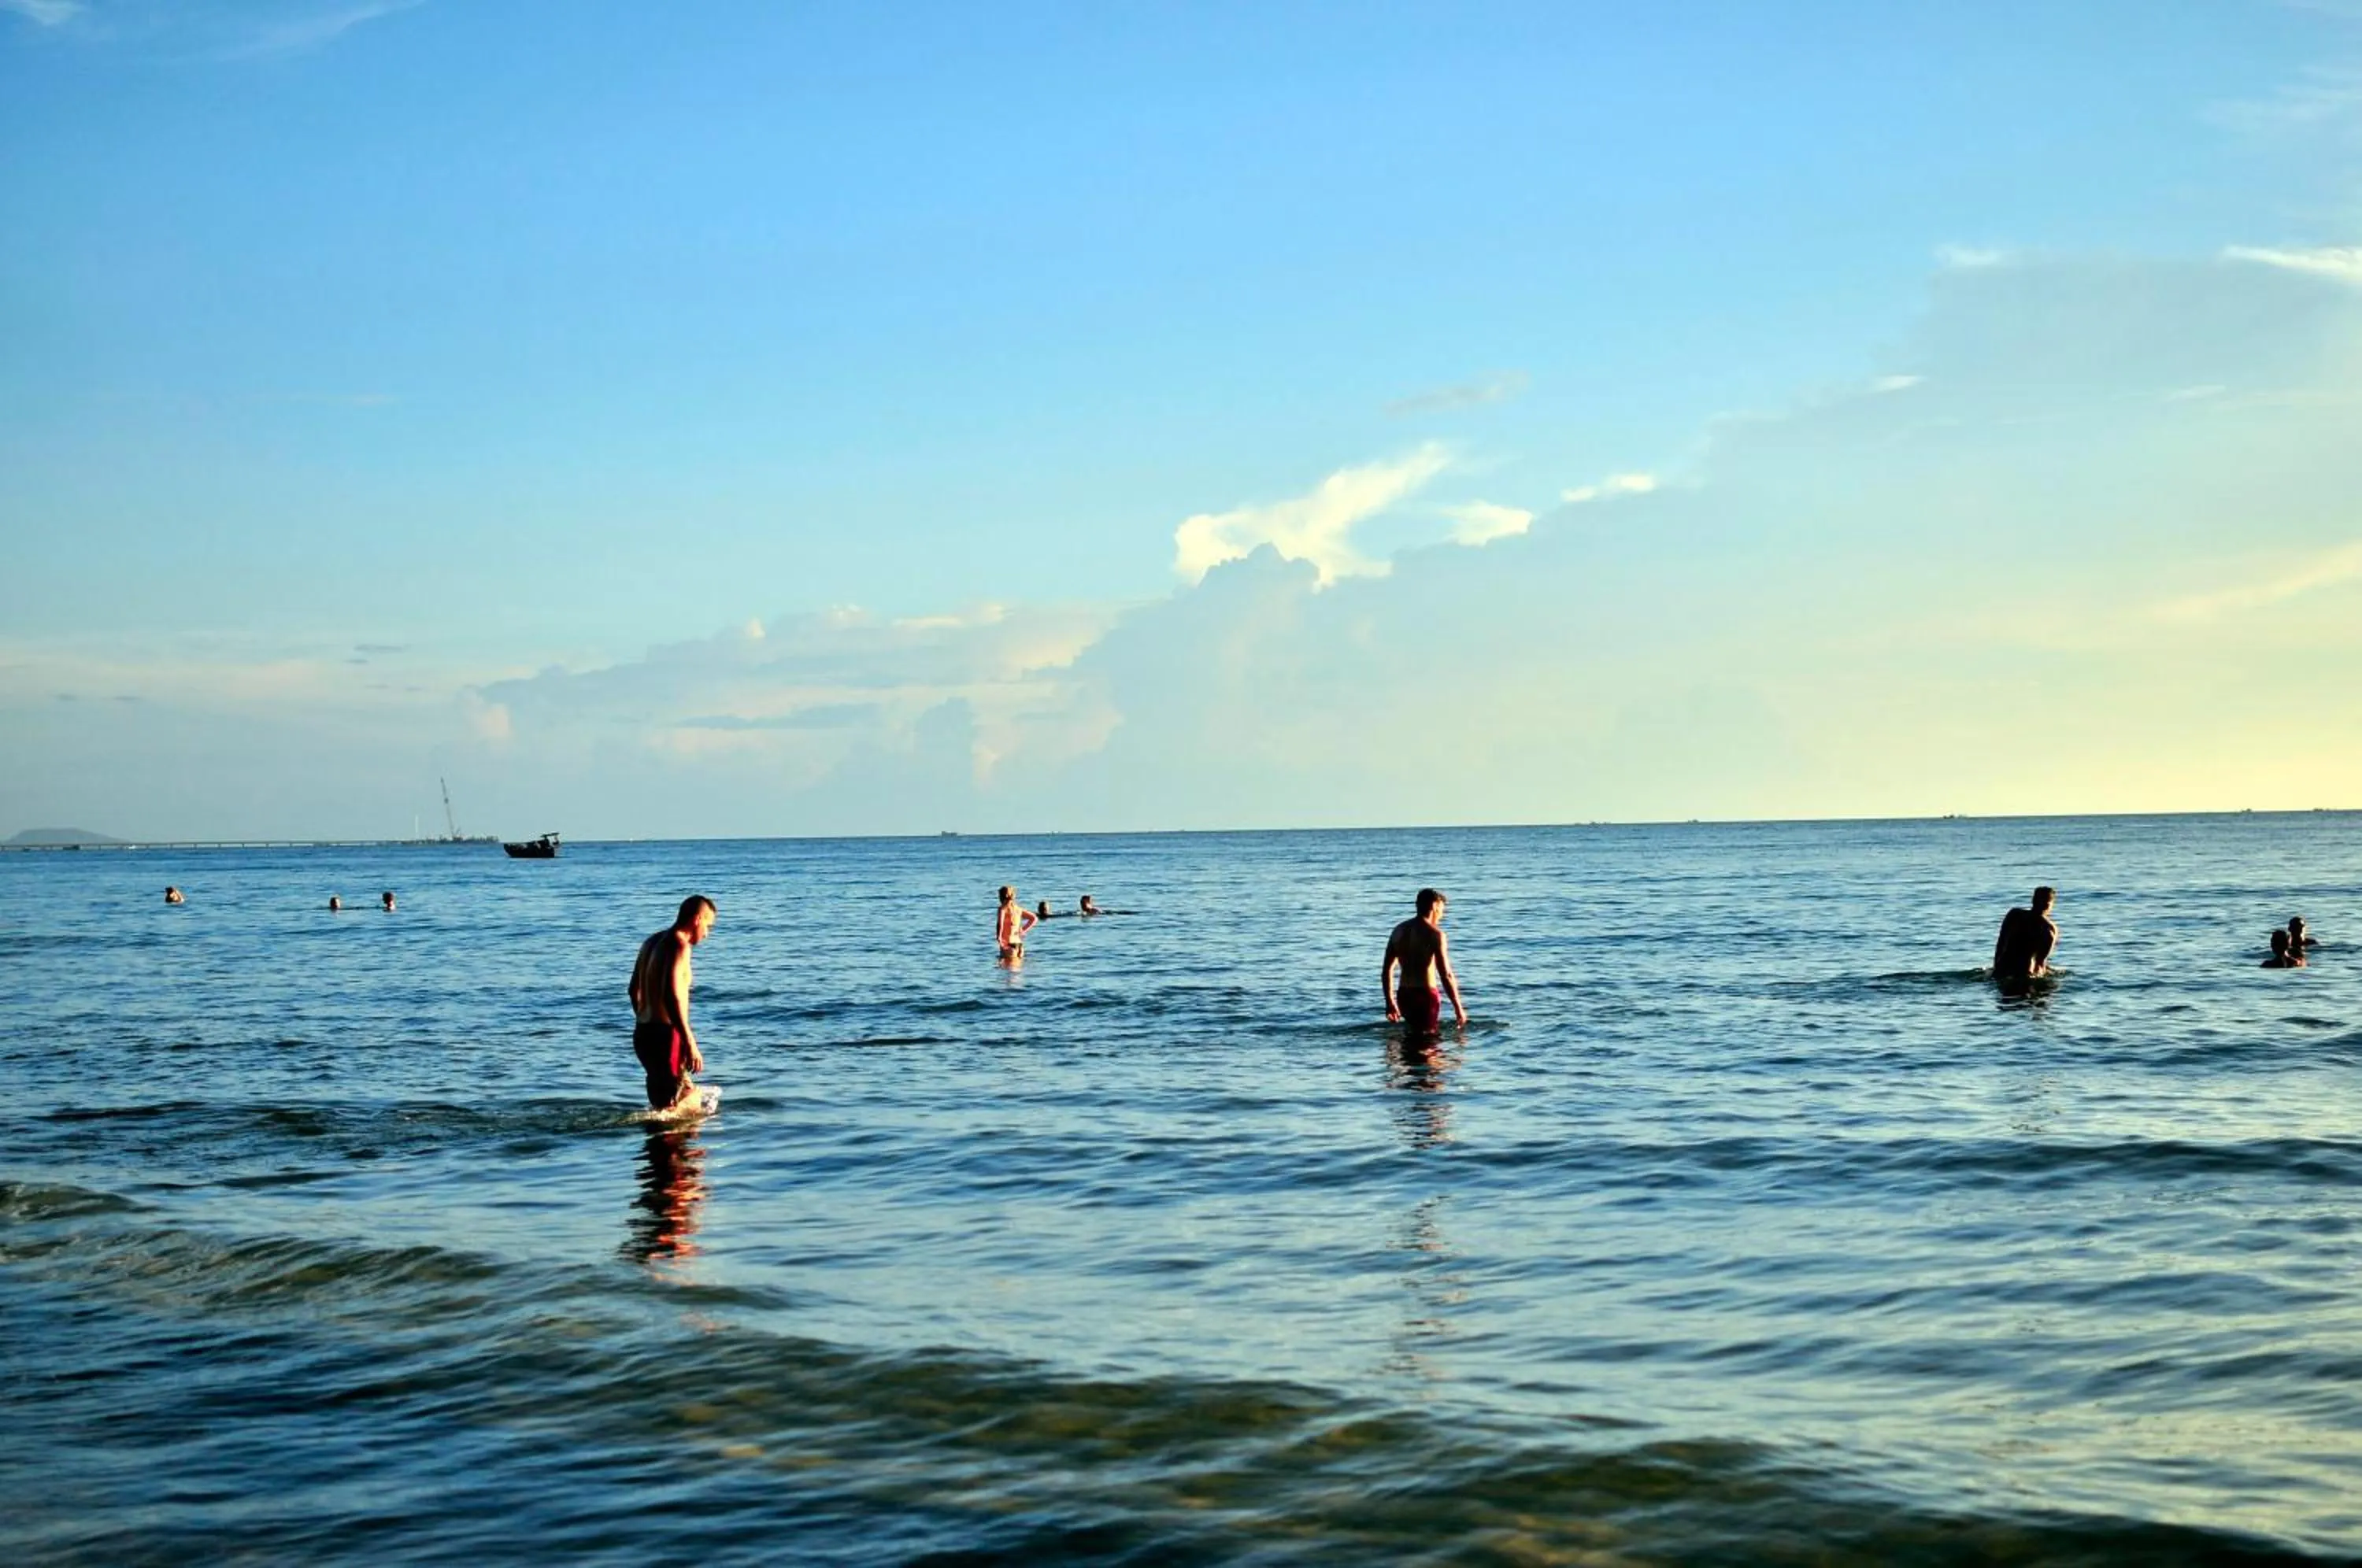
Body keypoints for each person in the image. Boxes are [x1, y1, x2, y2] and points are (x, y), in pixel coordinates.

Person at [629, 895, 716, 1112]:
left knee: (666, 1102)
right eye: (708, 925)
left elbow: (633, 990)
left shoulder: (651, 942)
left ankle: (666, 1142)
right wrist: (688, 1040)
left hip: (643, 1033)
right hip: (666, 1035)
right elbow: (671, 995)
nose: (707, 934)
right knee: (676, 1108)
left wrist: (645, 1017)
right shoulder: (679, 946)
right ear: (697, 919)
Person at [1383, 887, 1468, 1036]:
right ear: (1435, 906)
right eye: (1442, 910)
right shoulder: (1435, 935)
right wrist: (1458, 1007)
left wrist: (1390, 1001)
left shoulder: (1398, 931)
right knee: (1429, 1043)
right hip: (1426, 996)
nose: (1442, 914)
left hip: (1404, 995)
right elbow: (1446, 974)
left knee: (1410, 1042)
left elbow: (1387, 970)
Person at [1992, 886, 2057, 986]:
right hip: (2026, 974)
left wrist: (1997, 967)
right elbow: (2040, 962)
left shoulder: (2014, 915)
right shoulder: (2048, 929)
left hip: (2004, 968)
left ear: (2033, 900)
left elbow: (2001, 944)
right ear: (2051, 904)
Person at [996, 885, 1037, 965]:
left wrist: (999, 937)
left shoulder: (1003, 909)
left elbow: (1000, 924)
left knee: (1005, 973)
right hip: (1019, 945)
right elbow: (1034, 918)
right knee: (1017, 974)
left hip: (1008, 945)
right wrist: (1023, 930)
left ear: (1002, 896)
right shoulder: (1018, 909)